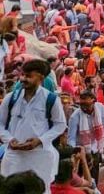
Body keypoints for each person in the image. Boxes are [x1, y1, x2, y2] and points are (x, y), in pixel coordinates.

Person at [0, 58, 68, 190]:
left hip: (40, 156)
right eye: (23, 75)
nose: (23, 79)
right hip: (14, 156)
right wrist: (10, 140)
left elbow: (60, 125)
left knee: (39, 189)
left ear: (41, 78)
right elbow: (1, 124)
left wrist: (40, 140)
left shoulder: (51, 99)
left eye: (29, 76)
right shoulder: (11, 98)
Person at [67, 89, 104, 178]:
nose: (84, 108)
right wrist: (76, 154)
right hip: (82, 153)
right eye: (81, 105)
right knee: (82, 181)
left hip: (96, 149)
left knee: (94, 178)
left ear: (93, 101)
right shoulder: (75, 117)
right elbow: (71, 139)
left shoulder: (100, 108)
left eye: (87, 105)